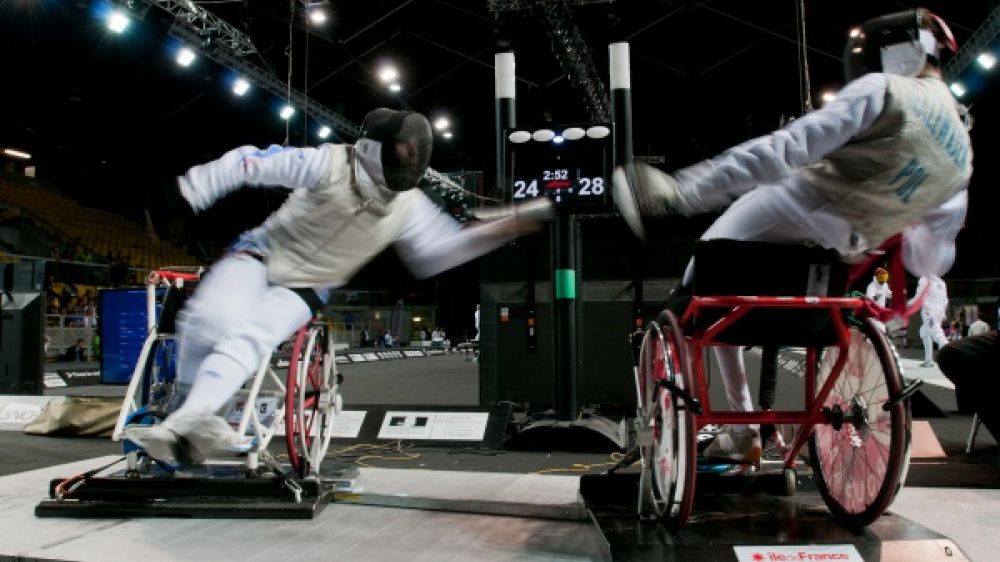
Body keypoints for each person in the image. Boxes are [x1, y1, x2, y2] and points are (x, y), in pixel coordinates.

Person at [611, 8, 971, 462]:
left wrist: (684, 190)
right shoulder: (963, 153)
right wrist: (901, 206)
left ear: (898, 53)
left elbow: (789, 149)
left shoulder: (885, 89)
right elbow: (929, 259)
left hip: (795, 207)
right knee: (723, 286)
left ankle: (740, 426)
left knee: (699, 282)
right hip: (837, 259)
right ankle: (748, 427)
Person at [124, 107, 552, 465]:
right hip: (262, 256)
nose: (409, 158)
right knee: (209, 320)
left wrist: (502, 228)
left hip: (307, 288)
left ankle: (194, 418)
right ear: (374, 147)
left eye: (413, 153)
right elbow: (250, 162)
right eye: (403, 149)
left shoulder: (409, 205)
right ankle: (182, 408)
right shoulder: (326, 161)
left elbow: (438, 251)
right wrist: (186, 192)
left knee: (249, 336)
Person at [936, 329, 999, 433]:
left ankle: (966, 407)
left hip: (952, 355)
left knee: (984, 401)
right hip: (961, 358)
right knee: (988, 402)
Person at [911, 275, 949, 367]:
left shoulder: (924, 279)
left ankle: (951, 358)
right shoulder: (941, 282)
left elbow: (919, 297)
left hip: (929, 313)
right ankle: (928, 360)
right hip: (938, 313)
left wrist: (908, 304)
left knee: (938, 336)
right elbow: (945, 300)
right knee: (924, 332)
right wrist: (943, 312)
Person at [866, 267, 892, 332]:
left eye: (885, 277)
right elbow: (869, 300)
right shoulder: (871, 286)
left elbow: (888, 294)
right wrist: (877, 296)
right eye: (881, 277)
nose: (883, 280)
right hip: (873, 313)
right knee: (876, 330)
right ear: (876, 277)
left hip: (881, 311)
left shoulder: (885, 285)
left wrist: (898, 293)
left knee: (883, 329)